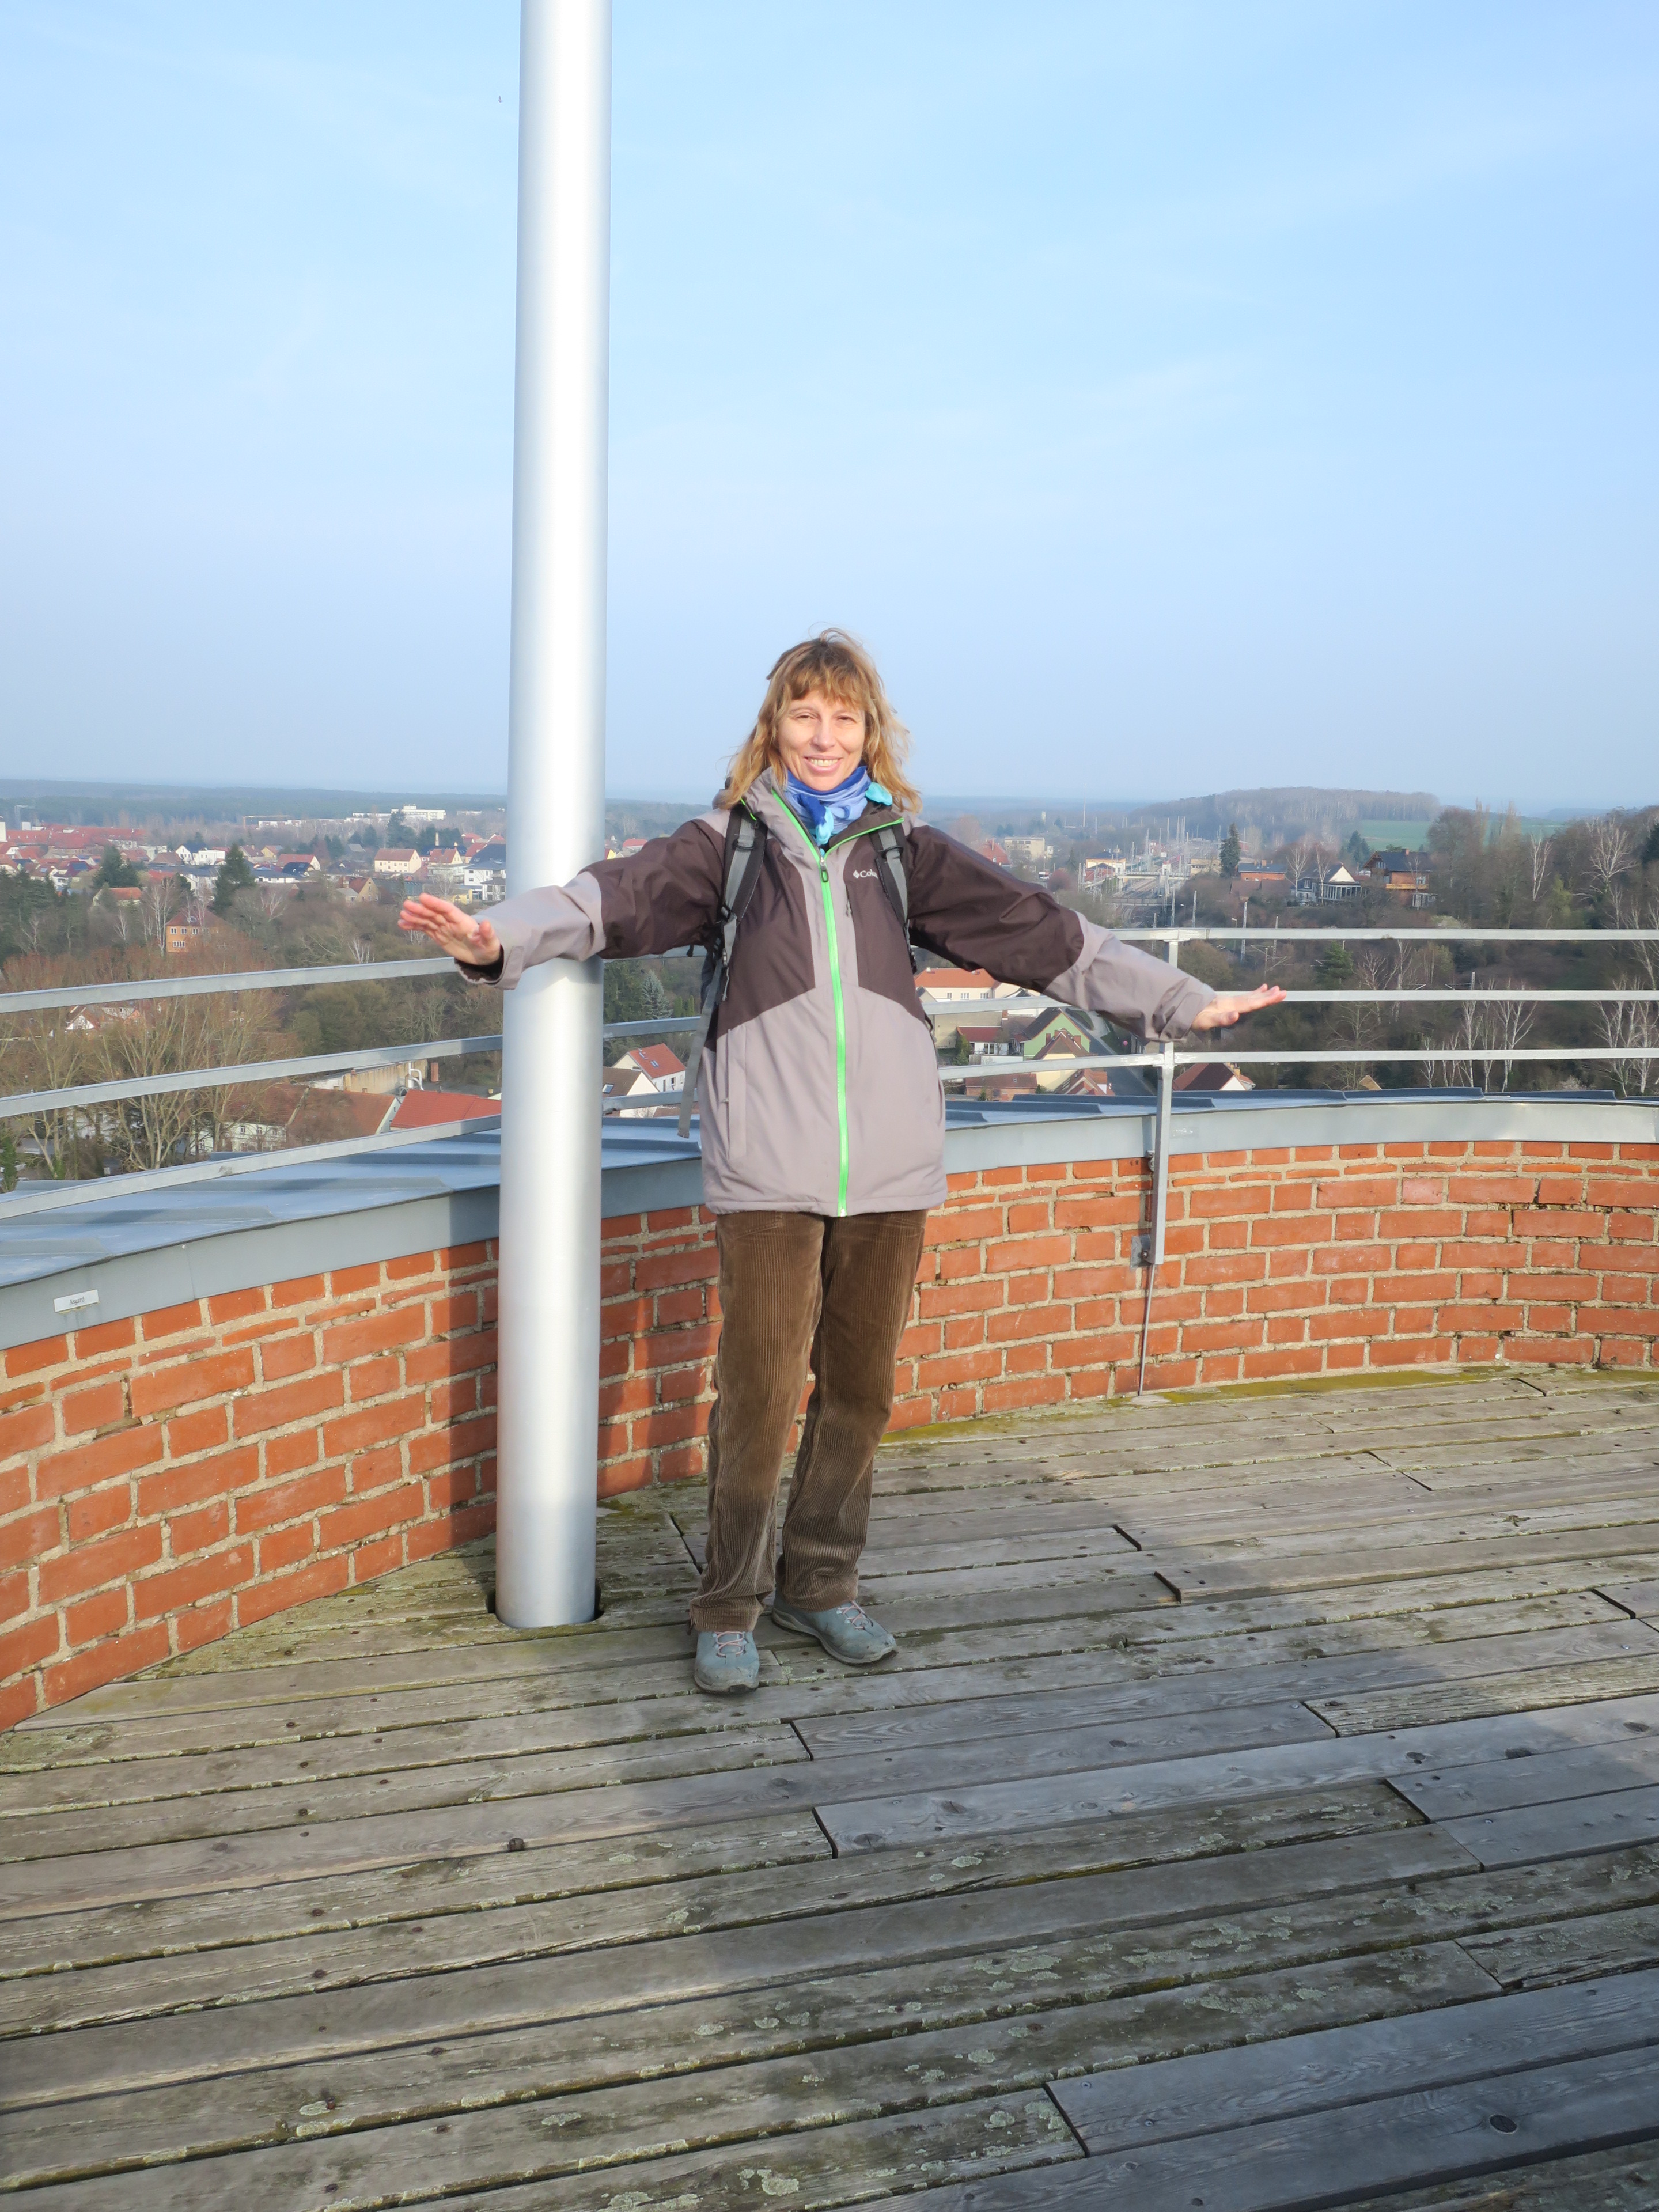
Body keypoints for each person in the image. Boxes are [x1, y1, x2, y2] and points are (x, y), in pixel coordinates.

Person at [401, 632, 1283, 1695]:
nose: (824, 737)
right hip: (768, 1166)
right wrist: (494, 937)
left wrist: (1186, 1002)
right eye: (805, 715)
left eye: (844, 718)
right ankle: (727, 1604)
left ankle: (819, 1586)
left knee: (860, 1392)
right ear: (775, 727)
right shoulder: (726, 847)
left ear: (871, 733)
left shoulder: (906, 854)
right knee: (760, 1394)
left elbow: (1050, 939)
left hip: (892, 1167)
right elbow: (605, 901)